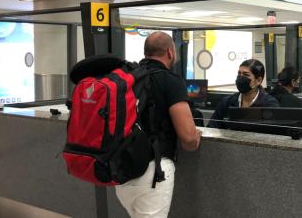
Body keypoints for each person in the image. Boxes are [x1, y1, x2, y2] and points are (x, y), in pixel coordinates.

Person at [116, 31, 201, 218]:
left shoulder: (127, 77)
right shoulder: (171, 81)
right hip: (153, 172)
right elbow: (188, 138)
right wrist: (195, 139)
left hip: (122, 170)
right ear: (170, 53)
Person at [208, 59, 279, 128]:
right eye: (239, 73)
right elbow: (211, 127)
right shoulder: (226, 102)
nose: (240, 77)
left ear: (258, 80)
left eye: (246, 75)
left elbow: (275, 134)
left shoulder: (270, 105)